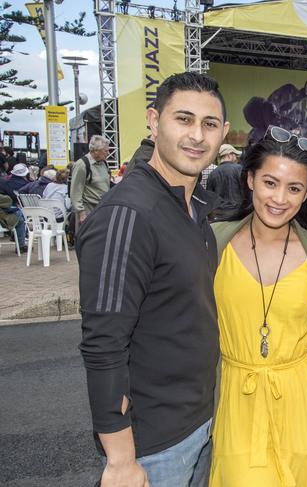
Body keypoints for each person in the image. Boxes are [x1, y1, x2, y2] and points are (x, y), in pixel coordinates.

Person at [77, 72, 229, 487]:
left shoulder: (192, 206)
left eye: (209, 124)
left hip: (197, 424)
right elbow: (104, 343)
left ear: (224, 133)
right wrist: (122, 461)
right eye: (183, 119)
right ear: (153, 120)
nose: (197, 135)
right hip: (153, 447)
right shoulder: (128, 214)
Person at [208, 126, 307, 486]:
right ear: (249, 180)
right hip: (235, 399)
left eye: (294, 188)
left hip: (306, 406)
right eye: (270, 182)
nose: (279, 198)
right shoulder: (214, 243)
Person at [70, 135, 111, 229]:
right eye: (105, 150)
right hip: (88, 211)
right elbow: (75, 191)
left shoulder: (104, 163)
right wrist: (81, 213)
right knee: (87, 240)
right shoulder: (82, 164)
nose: (108, 153)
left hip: (102, 209)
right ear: (95, 150)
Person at [206, 144, 243, 221]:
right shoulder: (239, 169)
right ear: (230, 155)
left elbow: (209, 198)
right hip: (237, 214)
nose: (236, 158)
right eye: (235, 155)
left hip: (218, 215)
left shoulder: (213, 174)